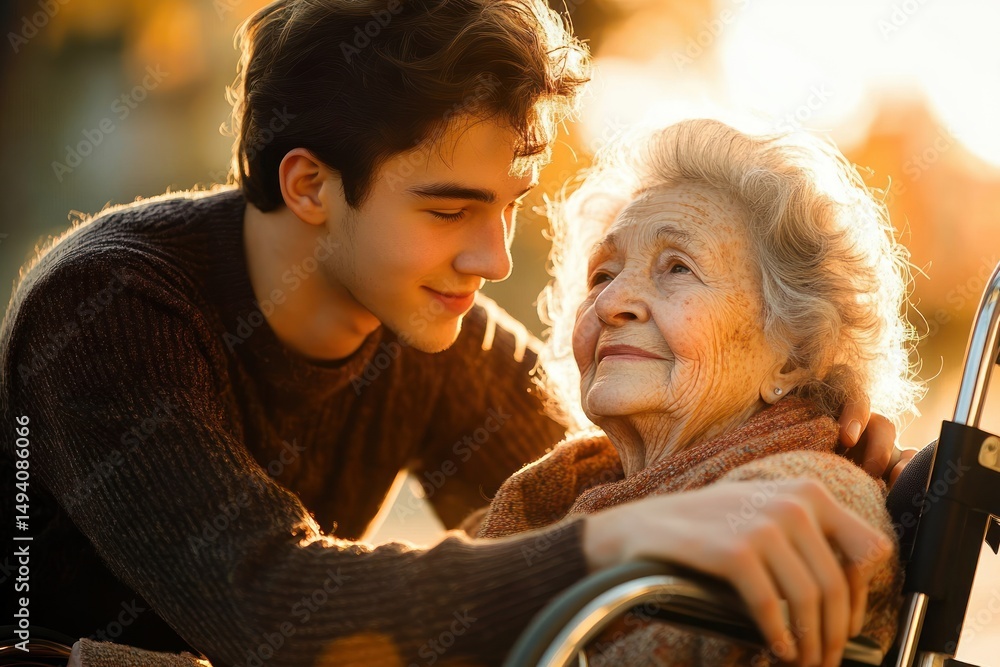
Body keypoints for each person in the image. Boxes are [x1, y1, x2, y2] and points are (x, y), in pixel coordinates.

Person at [0, 1, 905, 665]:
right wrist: (636, 536)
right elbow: (269, 609)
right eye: (448, 210)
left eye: (508, 206)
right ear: (310, 185)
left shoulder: (437, 330)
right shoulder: (106, 309)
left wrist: (815, 434)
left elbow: (587, 504)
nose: (494, 259)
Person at [475, 118, 923, 666]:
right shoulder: (565, 492)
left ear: (792, 358)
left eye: (678, 268)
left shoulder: (814, 488)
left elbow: (798, 506)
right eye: (602, 275)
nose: (611, 302)